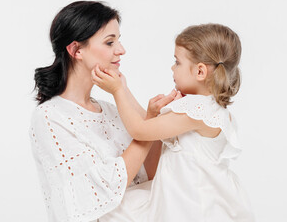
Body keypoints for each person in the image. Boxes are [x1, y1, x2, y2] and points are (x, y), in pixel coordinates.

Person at [29, 1, 179, 222]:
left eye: (118, 40)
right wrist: (143, 125)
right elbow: (106, 188)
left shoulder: (110, 108)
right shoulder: (51, 117)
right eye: (110, 42)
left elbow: (153, 172)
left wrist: (136, 104)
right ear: (76, 50)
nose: (121, 50)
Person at [92, 23, 255, 221]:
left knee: (114, 210)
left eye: (177, 62)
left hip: (191, 206)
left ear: (200, 72)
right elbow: (152, 132)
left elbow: (140, 130)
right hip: (185, 197)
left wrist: (118, 91)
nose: (172, 67)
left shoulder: (196, 110)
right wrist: (126, 89)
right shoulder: (211, 108)